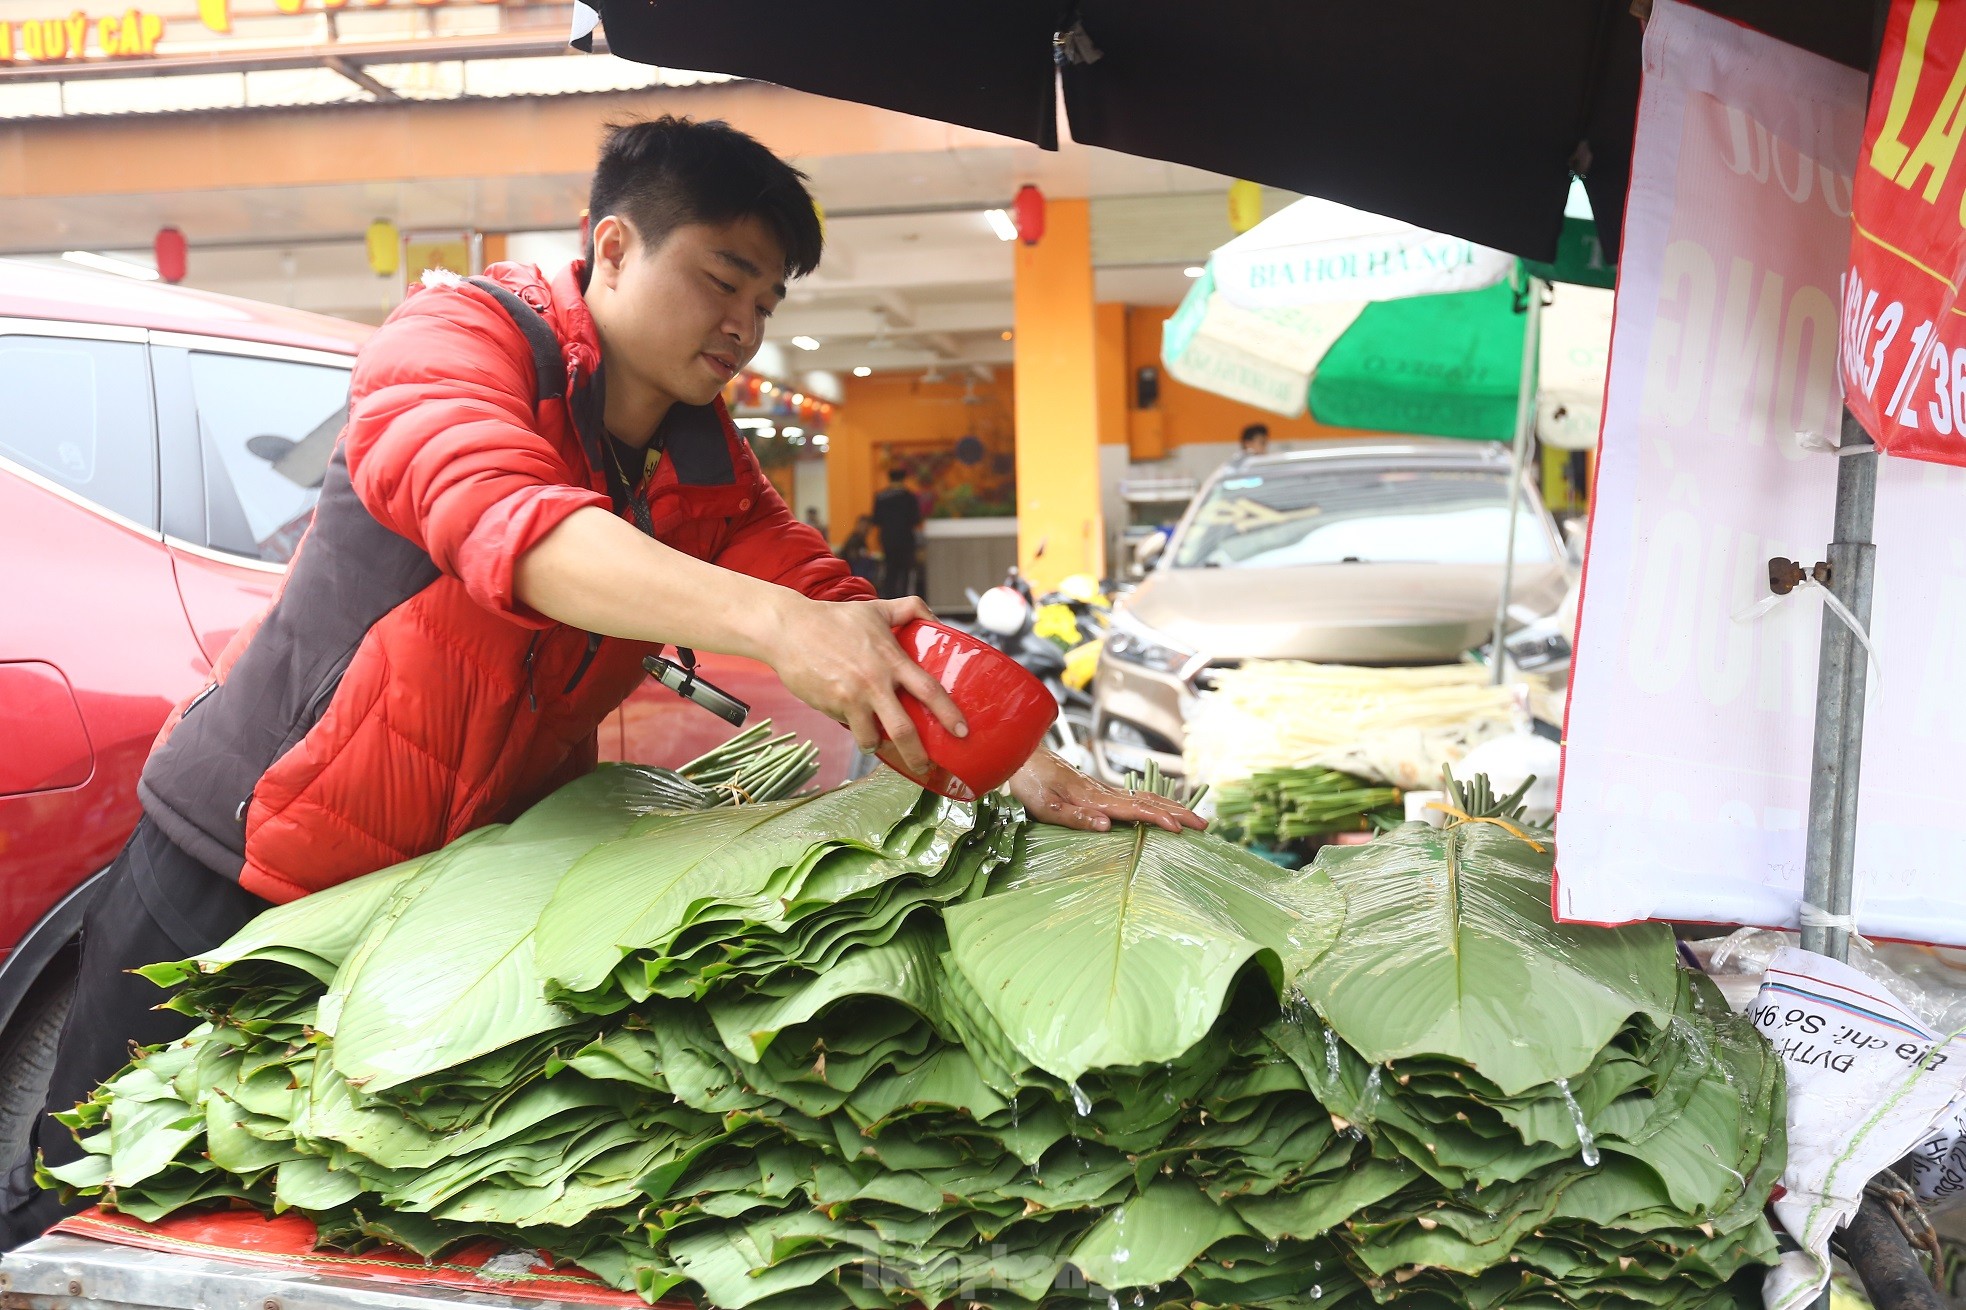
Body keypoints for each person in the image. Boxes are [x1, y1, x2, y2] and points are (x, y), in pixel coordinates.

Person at [0, 115, 1201, 1251]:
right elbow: (506, 518)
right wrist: (769, 620)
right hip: (243, 862)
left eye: (767, 299)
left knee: (306, 1216)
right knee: (97, 1186)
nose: (743, 322)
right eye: (721, 277)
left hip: (442, 907)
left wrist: (1015, 762)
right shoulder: (454, 341)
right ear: (612, 247)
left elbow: (845, 620)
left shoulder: (699, 456)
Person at [871, 466, 922, 600]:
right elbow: (915, 519)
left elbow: (876, 520)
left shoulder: (880, 497)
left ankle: (889, 600)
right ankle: (904, 600)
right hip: (905, 540)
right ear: (903, 479)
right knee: (905, 572)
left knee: (890, 571)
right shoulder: (909, 496)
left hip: (887, 539)